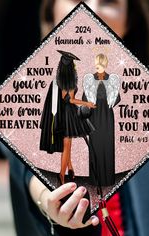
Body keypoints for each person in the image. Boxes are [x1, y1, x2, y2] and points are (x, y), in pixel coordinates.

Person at [0, 0, 149, 235]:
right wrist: (50, 202)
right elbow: (29, 171)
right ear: (51, 12)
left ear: (129, 19)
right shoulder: (28, 103)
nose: (92, 11)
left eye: (109, 1)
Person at [39, 50, 96, 185]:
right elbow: (70, 100)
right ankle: (61, 175)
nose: (75, 67)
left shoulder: (58, 79)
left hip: (61, 114)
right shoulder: (70, 80)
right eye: (74, 65)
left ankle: (70, 168)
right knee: (67, 146)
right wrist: (86, 103)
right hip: (68, 115)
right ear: (70, 67)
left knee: (66, 145)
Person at [83, 53, 121, 186]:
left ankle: (108, 178)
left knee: (107, 145)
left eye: (100, 65)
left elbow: (117, 98)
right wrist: (88, 105)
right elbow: (84, 97)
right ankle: (95, 179)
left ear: (105, 65)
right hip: (93, 116)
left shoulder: (111, 79)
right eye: (96, 64)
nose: (97, 67)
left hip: (107, 116)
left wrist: (108, 100)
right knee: (95, 146)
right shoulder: (89, 79)